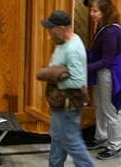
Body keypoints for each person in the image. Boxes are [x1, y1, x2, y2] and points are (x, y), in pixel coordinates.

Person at [37, 11, 96, 167]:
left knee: (74, 145)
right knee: (57, 140)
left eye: (52, 28)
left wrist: (53, 78)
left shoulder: (72, 49)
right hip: (61, 106)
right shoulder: (66, 41)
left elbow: (77, 80)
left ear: (62, 28)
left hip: (68, 106)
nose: (49, 31)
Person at [87, 0, 121, 160]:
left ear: (105, 12)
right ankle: (102, 137)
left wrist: (85, 69)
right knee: (100, 104)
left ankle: (116, 146)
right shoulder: (104, 24)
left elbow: (106, 61)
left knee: (111, 109)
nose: (92, 13)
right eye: (91, 9)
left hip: (109, 73)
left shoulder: (111, 31)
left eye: (95, 11)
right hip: (104, 70)